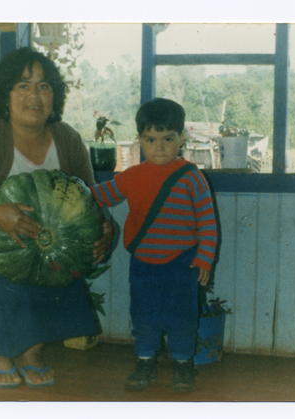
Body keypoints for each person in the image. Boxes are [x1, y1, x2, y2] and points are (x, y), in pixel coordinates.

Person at [0, 47, 114, 389]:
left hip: (47, 245)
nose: (34, 95)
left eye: (44, 86)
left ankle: (31, 353)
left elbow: (89, 198)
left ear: (55, 96)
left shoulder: (67, 139)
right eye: (23, 86)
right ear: (4, 95)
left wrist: (106, 228)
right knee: (8, 285)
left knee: (61, 278)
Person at [90, 98, 218, 393]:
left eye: (168, 139)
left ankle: (184, 366)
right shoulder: (131, 176)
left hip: (183, 263)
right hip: (143, 264)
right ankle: (144, 362)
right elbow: (96, 197)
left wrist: (204, 259)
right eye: (151, 139)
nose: (159, 147)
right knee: (143, 316)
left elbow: (208, 224)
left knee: (182, 317)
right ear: (139, 141)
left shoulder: (193, 178)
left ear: (181, 139)